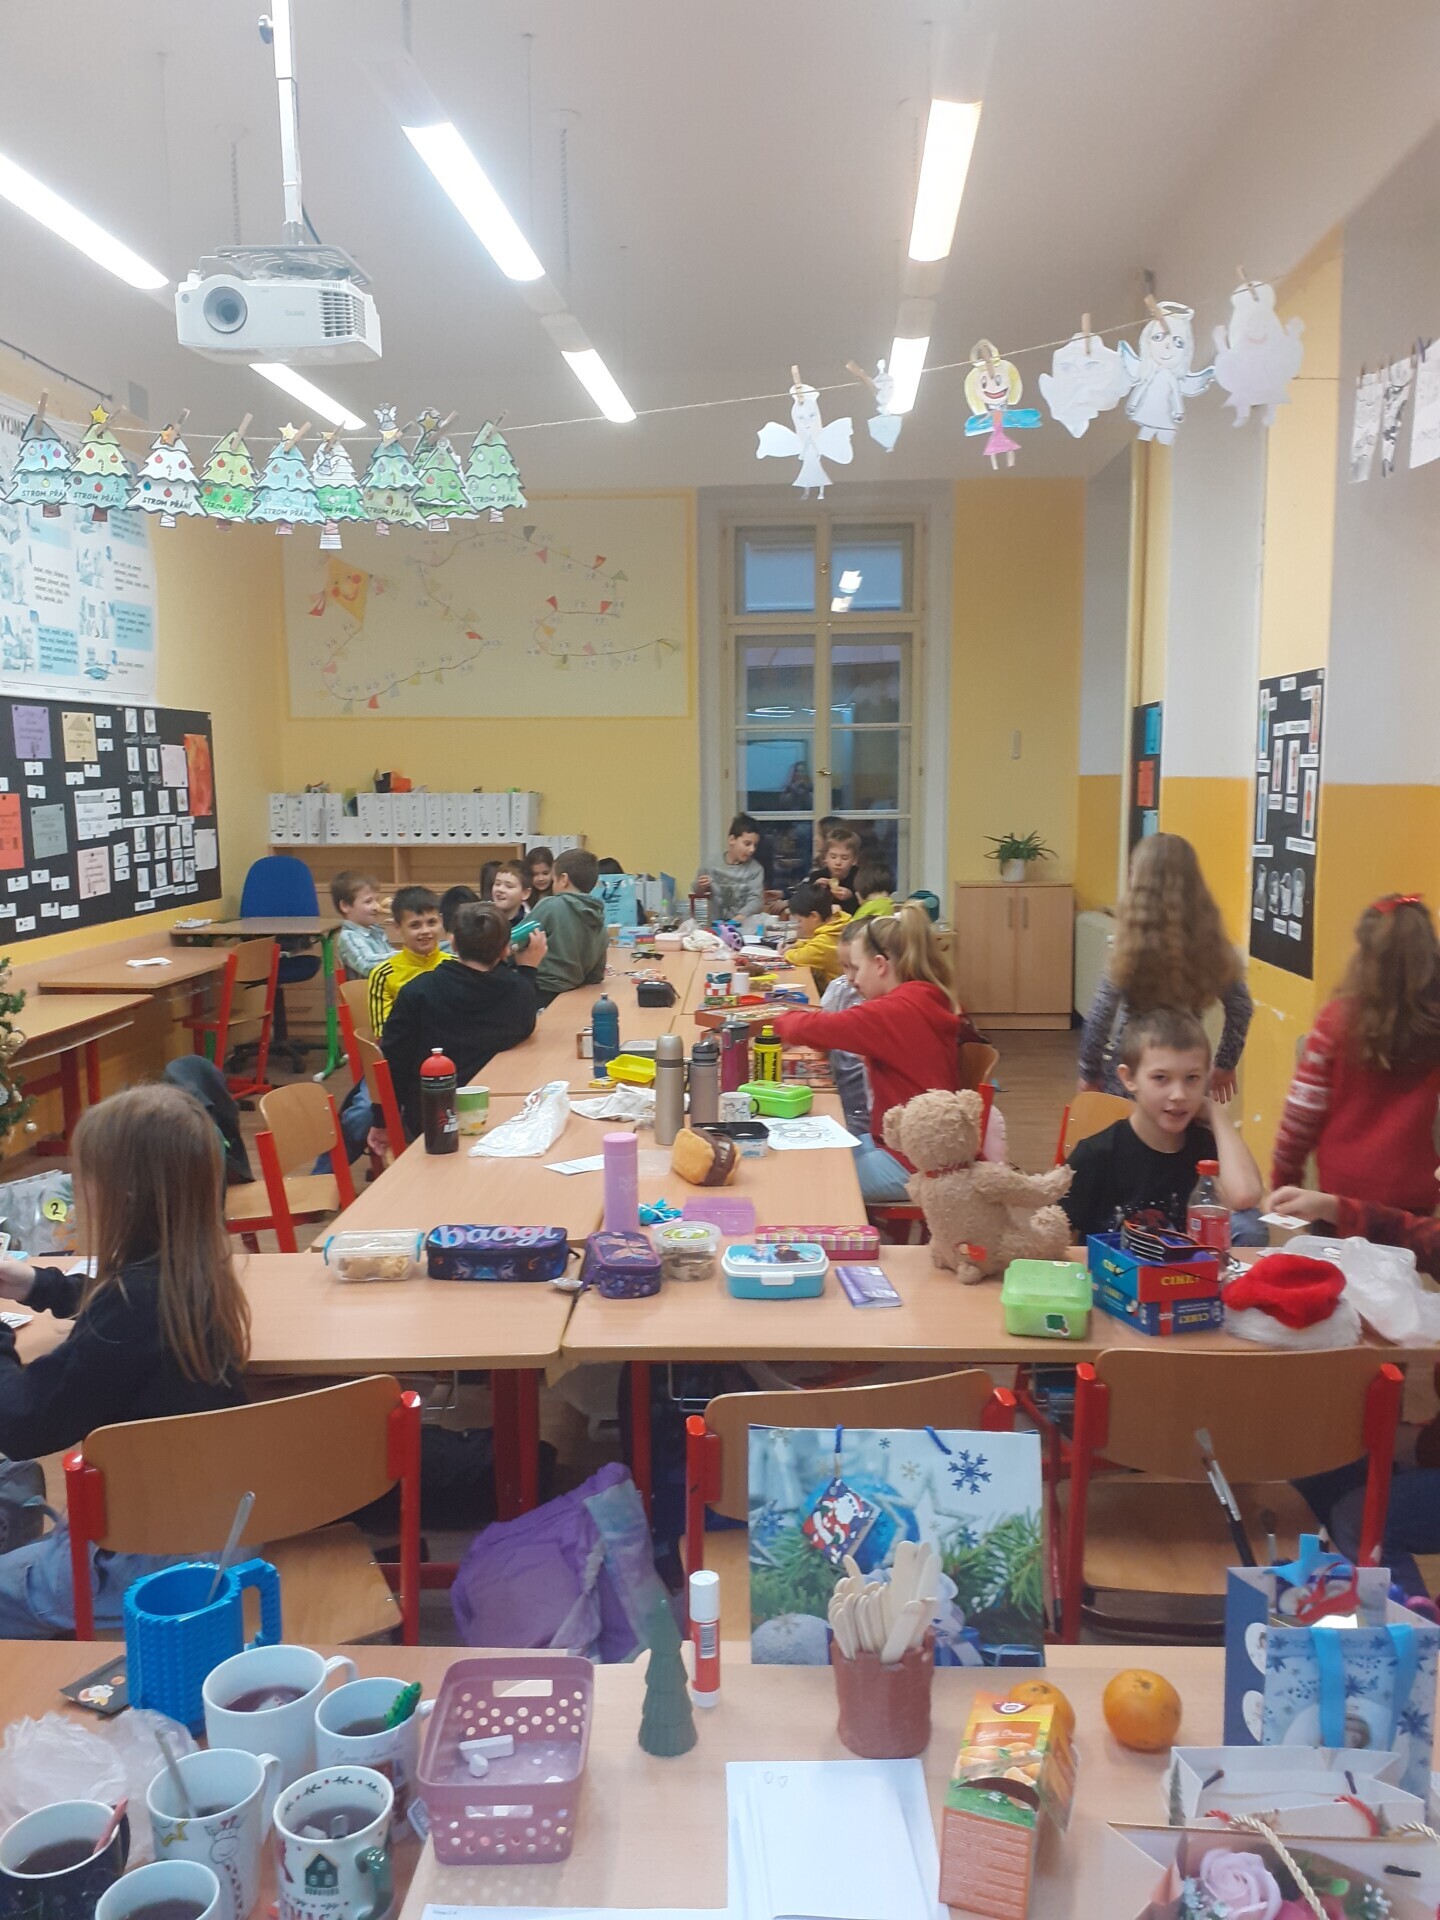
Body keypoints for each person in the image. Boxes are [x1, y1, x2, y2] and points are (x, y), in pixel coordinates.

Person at [0, 1084, 250, 1635]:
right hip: (215, 1534)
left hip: (141, 1567)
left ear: (124, 1194)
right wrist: (38, 1284)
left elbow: (22, 1424)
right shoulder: (198, 1273)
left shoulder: (130, 1307)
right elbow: (126, 1313)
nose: (79, 1190)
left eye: (86, 1176)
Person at [771, 903, 978, 1203]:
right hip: (916, 1145)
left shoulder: (895, 1010)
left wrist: (773, 1022)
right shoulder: (922, 997)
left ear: (880, 964)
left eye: (857, 968)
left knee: (813, 1180)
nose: (853, 980)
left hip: (915, 1161)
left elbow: (819, 1027)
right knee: (815, 1155)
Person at [1271, 895, 1440, 1214]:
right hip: (1413, 1201)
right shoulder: (1433, 1028)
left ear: (1364, 957)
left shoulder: (1336, 1022)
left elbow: (1301, 1115)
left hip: (1339, 1202)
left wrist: (1285, 1181)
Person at [1062, 1007, 1263, 1240]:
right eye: (1160, 1078)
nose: (1179, 1094)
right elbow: (1052, 1238)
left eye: (1192, 1078)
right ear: (1129, 1078)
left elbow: (1245, 1196)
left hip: (1188, 1264)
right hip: (1113, 1263)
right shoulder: (1095, 1155)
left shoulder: (1204, 1145)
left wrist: (1215, 1111)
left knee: (1250, 1226)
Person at [1078, 833, 1252, 1101]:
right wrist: (1225, 1064)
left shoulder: (1130, 943)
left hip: (1134, 1073)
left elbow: (1101, 1015)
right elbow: (1240, 1006)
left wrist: (1089, 1073)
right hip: (1188, 1069)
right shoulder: (1210, 942)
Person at [378, 904, 548, 1139]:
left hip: (432, 1119)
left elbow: (393, 1060)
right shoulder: (518, 992)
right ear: (504, 950)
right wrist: (528, 968)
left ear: (453, 942)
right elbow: (526, 1023)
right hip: (501, 1113)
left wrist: (381, 1121)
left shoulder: (418, 991)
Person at [365, 885, 448, 1034]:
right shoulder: (383, 975)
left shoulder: (456, 966)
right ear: (397, 927)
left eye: (431, 922)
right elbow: (385, 1036)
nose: (425, 931)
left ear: (441, 921)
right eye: (415, 925)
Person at [531, 849, 608, 1005]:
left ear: (564, 879)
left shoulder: (551, 905)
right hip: (573, 996)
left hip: (539, 991)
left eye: (553, 879)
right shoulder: (598, 918)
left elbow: (512, 941)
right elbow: (596, 976)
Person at [693, 814, 765, 921]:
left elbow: (756, 900)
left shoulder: (755, 869)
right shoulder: (711, 863)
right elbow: (696, 892)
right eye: (747, 844)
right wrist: (700, 886)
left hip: (742, 925)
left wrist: (740, 917)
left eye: (755, 845)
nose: (752, 850)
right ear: (732, 840)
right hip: (713, 923)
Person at [784, 880, 853, 987]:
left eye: (799, 921)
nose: (798, 926)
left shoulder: (824, 942)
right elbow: (814, 944)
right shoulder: (838, 924)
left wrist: (786, 952)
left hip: (837, 993)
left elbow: (799, 957)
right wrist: (797, 945)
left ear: (814, 916)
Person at [331, 870, 392, 979]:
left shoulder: (375, 930)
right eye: (368, 902)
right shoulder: (349, 936)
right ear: (345, 906)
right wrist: (405, 956)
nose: (376, 907)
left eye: (376, 900)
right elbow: (367, 965)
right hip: (366, 989)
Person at [808, 827, 862, 914]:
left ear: (854, 860)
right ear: (825, 857)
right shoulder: (817, 876)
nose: (838, 862)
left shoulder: (860, 878)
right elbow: (805, 905)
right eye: (833, 857)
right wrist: (814, 890)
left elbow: (866, 907)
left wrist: (851, 897)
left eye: (844, 858)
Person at [488, 859, 530, 931]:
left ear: (525, 893)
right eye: (497, 884)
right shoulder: (483, 916)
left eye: (509, 886)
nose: (500, 889)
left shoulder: (530, 923)